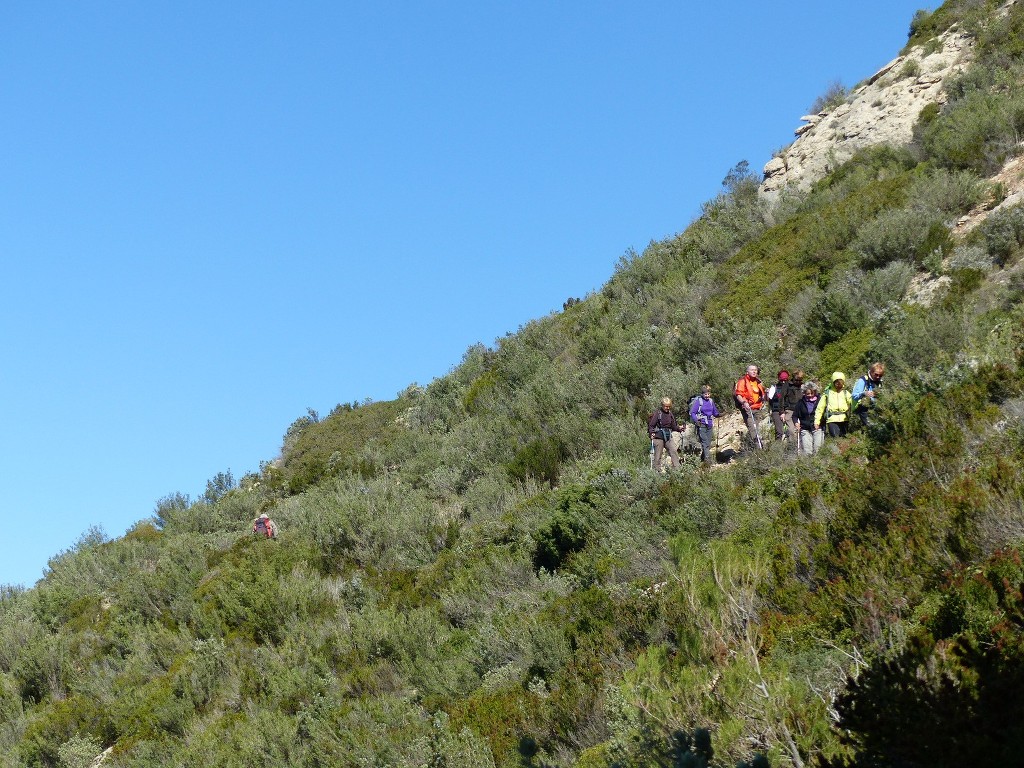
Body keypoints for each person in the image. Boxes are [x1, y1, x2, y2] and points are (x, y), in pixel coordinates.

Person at [734, 364, 768, 450]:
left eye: (755, 370)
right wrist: (744, 402)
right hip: (747, 408)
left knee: (756, 427)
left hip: (758, 408)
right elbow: (739, 395)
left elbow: (762, 395)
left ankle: (752, 446)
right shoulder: (742, 381)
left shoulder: (758, 382)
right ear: (747, 372)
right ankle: (758, 448)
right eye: (752, 370)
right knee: (752, 428)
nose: (754, 371)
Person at [767, 369, 803, 447]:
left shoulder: (802, 386)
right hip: (786, 410)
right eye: (797, 379)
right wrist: (781, 412)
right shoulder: (783, 386)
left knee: (801, 430)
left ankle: (800, 448)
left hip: (799, 411)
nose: (798, 381)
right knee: (788, 430)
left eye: (800, 380)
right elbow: (779, 399)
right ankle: (790, 448)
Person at [815, 371, 854, 439]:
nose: (839, 386)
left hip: (844, 419)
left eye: (841, 384)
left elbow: (854, 403)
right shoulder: (827, 394)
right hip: (832, 420)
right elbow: (820, 408)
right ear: (833, 382)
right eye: (837, 384)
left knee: (845, 439)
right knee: (836, 439)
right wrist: (817, 421)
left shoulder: (845, 393)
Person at [689, 384, 722, 464]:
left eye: (708, 394)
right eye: (705, 394)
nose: (707, 396)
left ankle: (702, 459)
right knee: (705, 442)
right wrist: (697, 421)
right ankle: (708, 461)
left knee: (708, 443)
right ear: (702, 394)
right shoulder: (699, 401)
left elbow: (714, 412)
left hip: (709, 424)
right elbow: (692, 412)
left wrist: (720, 414)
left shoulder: (711, 401)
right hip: (701, 424)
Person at [648, 397, 683, 471]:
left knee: (673, 451)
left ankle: (677, 471)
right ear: (662, 405)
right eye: (666, 406)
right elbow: (651, 425)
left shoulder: (670, 414)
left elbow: (673, 426)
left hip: (667, 436)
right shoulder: (657, 413)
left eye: (669, 406)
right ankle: (656, 472)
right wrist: (651, 433)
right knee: (657, 456)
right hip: (658, 437)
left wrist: (679, 429)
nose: (668, 408)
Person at [793, 381, 824, 455]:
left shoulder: (820, 401)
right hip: (805, 429)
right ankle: (808, 465)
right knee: (807, 451)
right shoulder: (800, 403)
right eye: (807, 394)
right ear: (804, 393)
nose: (810, 395)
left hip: (818, 428)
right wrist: (796, 423)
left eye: (811, 393)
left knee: (818, 449)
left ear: (815, 392)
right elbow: (795, 415)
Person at [852, 362, 885, 427]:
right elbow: (854, 396)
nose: (878, 377)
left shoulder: (879, 382)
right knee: (871, 427)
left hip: (874, 408)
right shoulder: (863, 380)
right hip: (862, 408)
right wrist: (864, 393)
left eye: (880, 375)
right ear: (871, 371)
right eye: (876, 374)